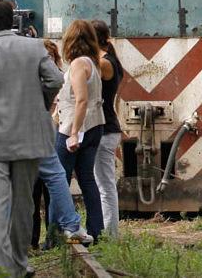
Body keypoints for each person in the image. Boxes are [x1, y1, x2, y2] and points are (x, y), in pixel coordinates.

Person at [0, 0, 64, 277]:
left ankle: (4, 267)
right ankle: (20, 261)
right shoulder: (34, 47)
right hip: (29, 135)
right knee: (23, 202)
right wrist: (39, 102)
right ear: (12, 20)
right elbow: (55, 80)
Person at [31, 40, 93, 249]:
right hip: (48, 130)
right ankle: (49, 235)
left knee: (47, 186)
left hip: (49, 131)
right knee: (50, 182)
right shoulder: (58, 76)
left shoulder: (58, 76)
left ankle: (51, 236)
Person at [55, 20, 106, 241]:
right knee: (87, 180)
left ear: (70, 40)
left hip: (73, 129)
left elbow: (81, 100)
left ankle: (54, 234)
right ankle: (97, 231)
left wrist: (74, 132)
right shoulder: (93, 63)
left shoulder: (77, 65)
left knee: (58, 181)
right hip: (95, 125)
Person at [91, 20, 123, 239]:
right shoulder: (111, 59)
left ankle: (110, 233)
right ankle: (106, 230)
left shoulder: (102, 63)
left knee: (104, 184)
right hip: (108, 127)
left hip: (104, 129)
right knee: (103, 182)